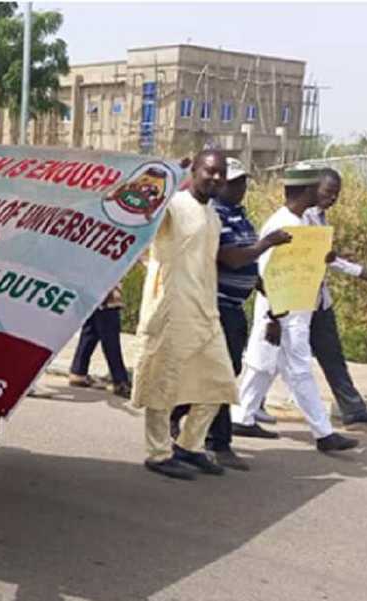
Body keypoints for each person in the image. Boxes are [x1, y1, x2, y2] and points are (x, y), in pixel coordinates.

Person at [168, 157, 292, 470]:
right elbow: (231, 258)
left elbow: (247, 265)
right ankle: (217, 442)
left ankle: (180, 409)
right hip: (214, 304)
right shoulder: (214, 215)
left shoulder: (238, 215)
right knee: (221, 376)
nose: (239, 187)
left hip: (234, 307)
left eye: (241, 181)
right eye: (233, 182)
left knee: (226, 371)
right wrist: (267, 244)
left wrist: (266, 293)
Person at [231, 164, 360, 452]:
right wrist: (274, 318)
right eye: (317, 188)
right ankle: (324, 434)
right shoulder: (282, 224)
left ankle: (243, 416)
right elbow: (264, 275)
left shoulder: (300, 221)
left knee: (262, 365)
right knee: (298, 369)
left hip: (294, 309)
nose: (322, 193)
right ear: (305, 191)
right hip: (282, 312)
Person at [131, 150, 237, 480]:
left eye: (221, 173)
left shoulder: (214, 215)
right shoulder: (173, 206)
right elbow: (137, 209)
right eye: (210, 171)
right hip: (171, 310)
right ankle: (158, 453)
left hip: (205, 311)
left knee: (220, 384)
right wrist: (165, 175)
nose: (216, 178)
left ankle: (190, 445)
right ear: (194, 171)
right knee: (163, 385)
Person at [299, 168, 367, 425]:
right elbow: (318, 257)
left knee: (332, 354)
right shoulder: (302, 218)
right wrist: (360, 271)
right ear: (314, 188)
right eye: (329, 192)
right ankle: (247, 410)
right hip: (299, 299)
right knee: (274, 358)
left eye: (336, 194)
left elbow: (325, 257)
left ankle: (352, 408)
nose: (333, 199)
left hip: (318, 300)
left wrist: (360, 271)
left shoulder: (320, 217)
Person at [68, 284, 131, 398]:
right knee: (110, 336)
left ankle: (78, 372)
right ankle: (120, 380)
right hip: (105, 292)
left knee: (91, 329)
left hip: (91, 291)